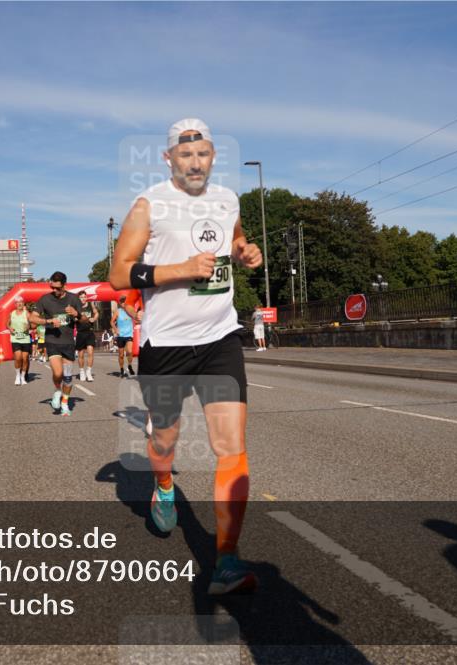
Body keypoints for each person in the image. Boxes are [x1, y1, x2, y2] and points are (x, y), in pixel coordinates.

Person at [109, 118, 264, 595]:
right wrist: (180, 269)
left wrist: (243, 251)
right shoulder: (148, 205)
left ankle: (226, 560)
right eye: (184, 154)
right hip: (167, 344)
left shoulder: (227, 200)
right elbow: (118, 275)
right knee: (165, 440)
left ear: (213, 156)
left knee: (231, 446)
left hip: (219, 338)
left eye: (203, 154)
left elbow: (233, 236)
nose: (194, 162)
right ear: (169, 159)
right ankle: (163, 487)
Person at [29, 272, 88, 416]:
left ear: (64, 286)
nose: (54, 291)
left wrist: (77, 314)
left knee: (68, 378)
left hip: (68, 342)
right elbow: (32, 318)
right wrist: (48, 321)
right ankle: (57, 391)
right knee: (58, 372)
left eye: (57, 288)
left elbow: (85, 321)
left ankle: (65, 402)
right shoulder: (45, 299)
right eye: (52, 287)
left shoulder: (74, 299)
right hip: (52, 341)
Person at [111, 295, 139, 378]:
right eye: (122, 303)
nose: (124, 304)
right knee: (121, 355)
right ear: (120, 304)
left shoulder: (130, 311)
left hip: (129, 334)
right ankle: (122, 369)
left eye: (125, 303)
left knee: (130, 351)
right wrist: (116, 329)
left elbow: (136, 318)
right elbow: (112, 322)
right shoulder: (118, 312)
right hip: (121, 335)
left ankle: (130, 365)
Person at [75, 291, 99, 381]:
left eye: (84, 297)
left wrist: (94, 318)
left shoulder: (90, 305)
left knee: (90, 352)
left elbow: (96, 313)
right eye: (81, 297)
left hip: (89, 332)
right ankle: (82, 372)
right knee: (80, 355)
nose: (83, 298)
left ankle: (88, 372)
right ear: (79, 298)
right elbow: (72, 316)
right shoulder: (76, 307)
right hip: (80, 333)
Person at [9, 296, 32, 385]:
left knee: (25, 358)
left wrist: (28, 326)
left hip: (25, 339)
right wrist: (9, 328)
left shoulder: (27, 313)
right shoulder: (12, 313)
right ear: (15, 304)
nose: (19, 304)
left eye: (21, 302)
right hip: (15, 338)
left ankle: (23, 377)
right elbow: (7, 324)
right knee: (18, 357)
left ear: (23, 304)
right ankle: (17, 376)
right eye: (18, 302)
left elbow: (32, 323)